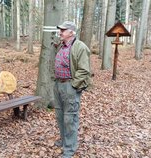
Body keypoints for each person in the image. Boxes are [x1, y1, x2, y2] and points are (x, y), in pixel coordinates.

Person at [53, 21, 91, 158]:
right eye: (60, 29)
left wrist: (74, 85)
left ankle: (70, 148)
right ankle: (64, 141)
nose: (60, 32)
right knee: (60, 115)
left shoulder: (80, 47)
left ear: (71, 32)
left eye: (63, 30)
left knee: (70, 118)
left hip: (70, 86)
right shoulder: (61, 46)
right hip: (58, 85)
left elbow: (84, 70)